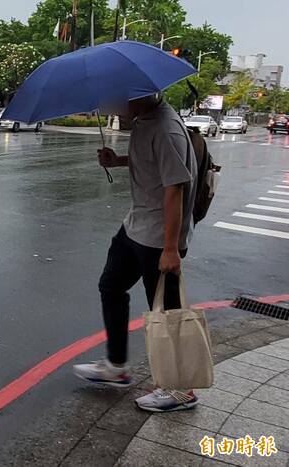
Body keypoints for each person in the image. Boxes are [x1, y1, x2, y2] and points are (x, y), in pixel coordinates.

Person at [73, 93, 199, 413]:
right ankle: (116, 366)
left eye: (115, 99)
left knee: (167, 313)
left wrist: (171, 249)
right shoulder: (144, 120)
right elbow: (152, 162)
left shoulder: (167, 128)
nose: (110, 105)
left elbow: (175, 187)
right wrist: (117, 161)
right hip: (136, 226)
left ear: (137, 95)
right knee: (111, 286)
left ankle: (180, 389)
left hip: (160, 237)